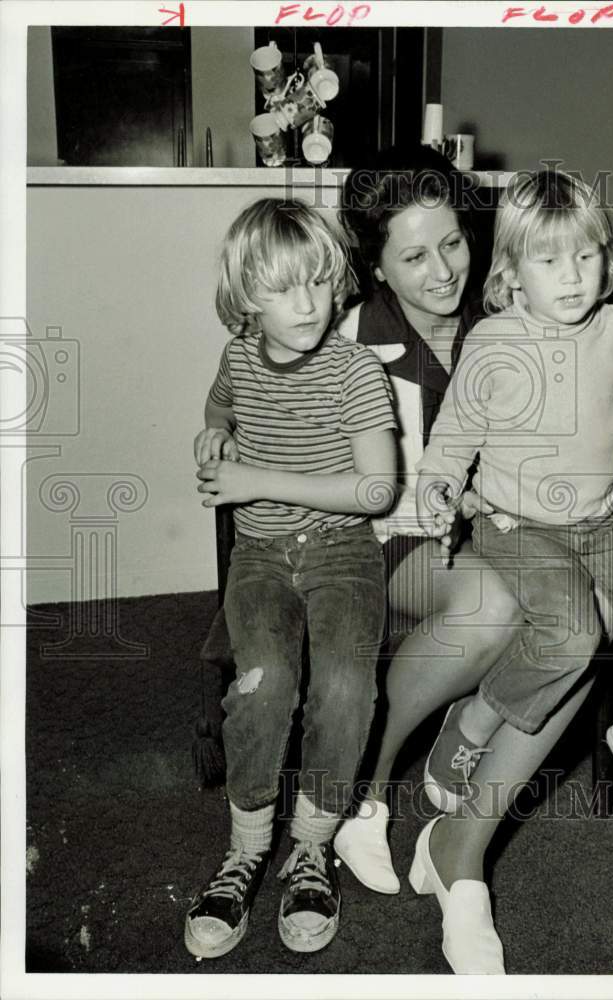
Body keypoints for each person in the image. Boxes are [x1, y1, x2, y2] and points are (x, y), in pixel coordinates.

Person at [329, 149, 613, 974]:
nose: (439, 272)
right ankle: (363, 783)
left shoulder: (533, 305)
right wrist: (426, 492)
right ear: (374, 264)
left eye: (452, 243)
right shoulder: (352, 340)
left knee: (590, 614)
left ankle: (461, 850)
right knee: (503, 609)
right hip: (396, 534)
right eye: (413, 256)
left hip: (522, 524)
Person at [184, 198, 397, 960]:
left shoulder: (355, 371)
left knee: (345, 687)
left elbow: (376, 491)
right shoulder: (238, 356)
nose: (305, 303)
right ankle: (245, 848)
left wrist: (253, 478)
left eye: (315, 282)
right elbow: (221, 403)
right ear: (246, 299)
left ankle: (311, 845)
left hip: (343, 553)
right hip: (262, 559)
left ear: (336, 281)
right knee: (264, 682)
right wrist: (213, 428)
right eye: (281, 288)